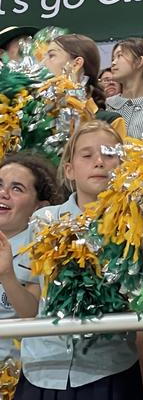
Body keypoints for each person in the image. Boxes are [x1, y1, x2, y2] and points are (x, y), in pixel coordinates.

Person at [15, 121, 143, 400]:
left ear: (123, 164)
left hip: (108, 369)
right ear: (69, 169)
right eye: (86, 155)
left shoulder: (138, 222)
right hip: (41, 371)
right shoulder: (43, 221)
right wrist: (4, 274)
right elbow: (32, 307)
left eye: (109, 154)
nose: (98, 162)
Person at [0, 152, 62, 390]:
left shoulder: (43, 246)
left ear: (40, 207)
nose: (4, 193)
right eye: (0, 185)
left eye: (17, 188)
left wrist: (7, 276)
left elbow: (32, 312)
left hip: (15, 375)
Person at [43, 34, 127, 137]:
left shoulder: (109, 122)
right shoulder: (40, 118)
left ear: (76, 64)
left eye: (51, 56)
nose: (43, 63)